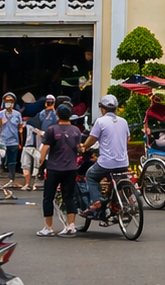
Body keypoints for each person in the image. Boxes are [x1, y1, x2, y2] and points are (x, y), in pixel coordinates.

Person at [81, 95, 131, 217]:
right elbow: (127, 138)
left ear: (102, 108)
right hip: (123, 163)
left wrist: (84, 147)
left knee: (91, 176)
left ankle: (99, 202)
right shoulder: (123, 122)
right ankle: (115, 203)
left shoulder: (100, 121)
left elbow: (92, 138)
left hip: (106, 163)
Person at [38, 108, 84, 236]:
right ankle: (71, 226)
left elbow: (45, 148)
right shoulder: (76, 131)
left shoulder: (52, 130)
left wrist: (40, 164)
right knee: (69, 196)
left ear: (57, 115)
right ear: (70, 115)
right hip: (71, 168)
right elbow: (79, 147)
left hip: (54, 168)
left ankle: (49, 227)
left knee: (48, 197)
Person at [0, 92, 23, 193]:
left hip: (14, 141)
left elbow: (20, 128)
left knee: (12, 162)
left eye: (11, 101)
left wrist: (20, 142)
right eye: (7, 101)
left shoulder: (17, 114)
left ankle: (11, 180)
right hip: (2, 141)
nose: (8, 103)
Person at [20, 112, 44, 193]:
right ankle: (33, 184)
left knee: (26, 166)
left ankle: (27, 184)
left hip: (27, 146)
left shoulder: (26, 125)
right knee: (36, 167)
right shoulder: (41, 127)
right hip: (37, 147)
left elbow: (21, 134)